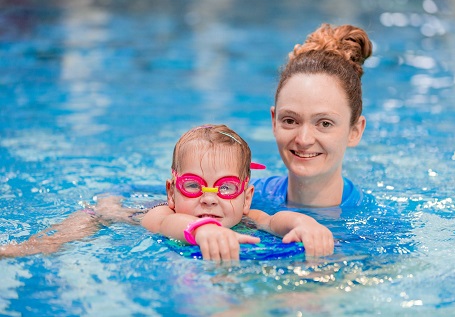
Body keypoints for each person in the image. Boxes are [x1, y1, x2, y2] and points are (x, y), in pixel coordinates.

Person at [1, 124, 333, 261]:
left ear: (246, 197)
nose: (209, 197)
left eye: (226, 188)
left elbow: (276, 221)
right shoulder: (167, 214)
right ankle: (31, 246)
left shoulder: (246, 216)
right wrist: (199, 229)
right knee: (89, 219)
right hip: (121, 216)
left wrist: (304, 225)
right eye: (193, 185)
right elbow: (165, 226)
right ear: (172, 192)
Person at [251, 23, 373, 208]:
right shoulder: (244, 201)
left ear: (354, 131)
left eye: (324, 123)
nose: (303, 139)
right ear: (274, 122)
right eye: (290, 120)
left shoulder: (376, 227)